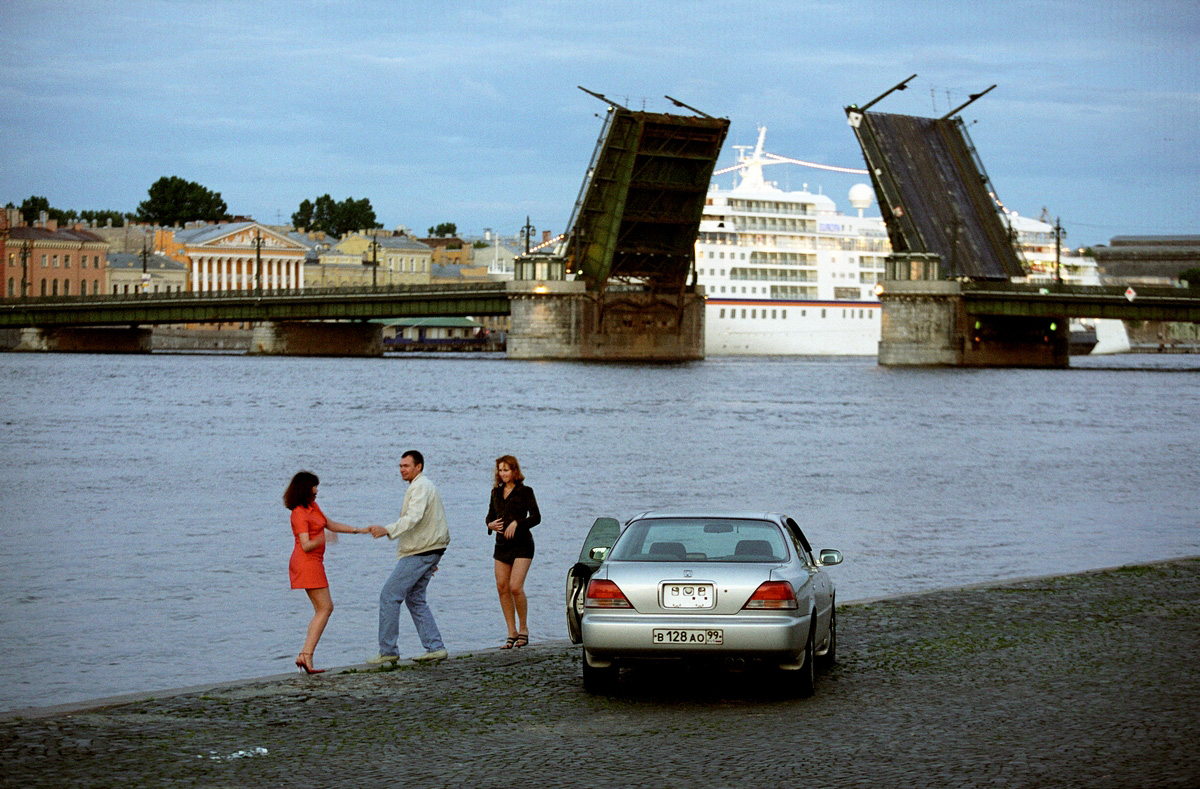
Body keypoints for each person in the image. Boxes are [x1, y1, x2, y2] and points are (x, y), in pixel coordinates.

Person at [367, 450, 450, 664]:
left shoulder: (421, 486)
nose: (402, 469)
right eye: (401, 466)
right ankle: (435, 647)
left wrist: (388, 530)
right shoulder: (421, 486)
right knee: (414, 598)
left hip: (422, 550)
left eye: (406, 466)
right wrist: (433, 556)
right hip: (429, 549)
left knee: (389, 595)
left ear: (418, 467)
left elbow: (413, 517)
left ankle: (388, 651)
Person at [284, 470, 368, 675]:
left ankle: (306, 656)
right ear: (305, 488)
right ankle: (306, 655)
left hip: (315, 563)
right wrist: (324, 539)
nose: (317, 492)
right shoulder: (298, 513)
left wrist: (360, 530)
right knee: (325, 608)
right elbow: (305, 545)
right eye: (314, 488)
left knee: (323, 609)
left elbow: (330, 524)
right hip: (306, 563)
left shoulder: (312, 507)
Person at [486, 455, 541, 649]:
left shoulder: (525, 491)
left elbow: (536, 517)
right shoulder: (495, 492)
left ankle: (524, 629)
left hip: (523, 544)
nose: (502, 474)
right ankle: (511, 632)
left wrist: (518, 523)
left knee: (515, 587)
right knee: (502, 587)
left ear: (514, 471)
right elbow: (490, 517)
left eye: (506, 470)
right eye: (500, 470)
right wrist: (490, 525)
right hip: (501, 545)